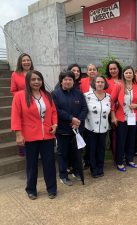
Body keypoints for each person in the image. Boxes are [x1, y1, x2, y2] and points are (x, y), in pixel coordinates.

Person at [11, 70, 57, 200]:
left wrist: (55, 125)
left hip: (47, 135)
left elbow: (53, 112)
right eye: (33, 79)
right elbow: (16, 116)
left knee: (49, 163)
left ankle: (52, 189)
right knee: (31, 164)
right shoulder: (20, 96)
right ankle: (31, 189)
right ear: (28, 81)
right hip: (29, 136)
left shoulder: (47, 95)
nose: (36, 82)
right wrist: (18, 134)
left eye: (39, 79)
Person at [52, 71, 88, 185]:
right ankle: (63, 175)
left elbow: (84, 109)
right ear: (61, 81)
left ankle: (76, 171)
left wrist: (78, 121)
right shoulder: (55, 94)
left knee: (76, 152)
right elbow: (56, 111)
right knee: (63, 153)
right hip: (63, 130)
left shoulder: (78, 93)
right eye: (65, 79)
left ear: (73, 81)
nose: (68, 81)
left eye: (70, 79)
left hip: (77, 129)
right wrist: (71, 118)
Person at [111, 66, 137, 172]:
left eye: (130, 73)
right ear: (123, 74)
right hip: (121, 118)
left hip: (133, 117)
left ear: (133, 75)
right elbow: (112, 101)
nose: (129, 74)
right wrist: (113, 116)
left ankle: (130, 159)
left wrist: (136, 106)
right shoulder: (119, 85)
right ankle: (119, 162)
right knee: (121, 140)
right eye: (127, 73)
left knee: (131, 139)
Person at [84, 75, 111, 178]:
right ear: (94, 84)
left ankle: (100, 167)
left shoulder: (108, 96)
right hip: (90, 128)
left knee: (101, 149)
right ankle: (93, 169)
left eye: (102, 82)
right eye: (98, 82)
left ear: (105, 84)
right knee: (92, 149)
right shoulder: (87, 95)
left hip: (103, 128)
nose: (100, 84)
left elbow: (110, 110)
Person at [10, 53, 34, 157]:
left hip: (33, 102)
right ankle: (23, 149)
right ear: (20, 62)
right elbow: (13, 90)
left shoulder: (34, 73)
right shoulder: (15, 74)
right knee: (22, 125)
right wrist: (23, 96)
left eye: (28, 60)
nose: (26, 62)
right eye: (24, 60)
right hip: (21, 103)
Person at [105, 60, 123, 162]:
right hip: (112, 112)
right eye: (110, 69)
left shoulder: (123, 80)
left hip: (124, 111)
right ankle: (116, 156)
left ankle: (123, 154)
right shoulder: (106, 82)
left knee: (123, 134)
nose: (113, 70)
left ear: (118, 69)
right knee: (114, 135)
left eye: (114, 68)